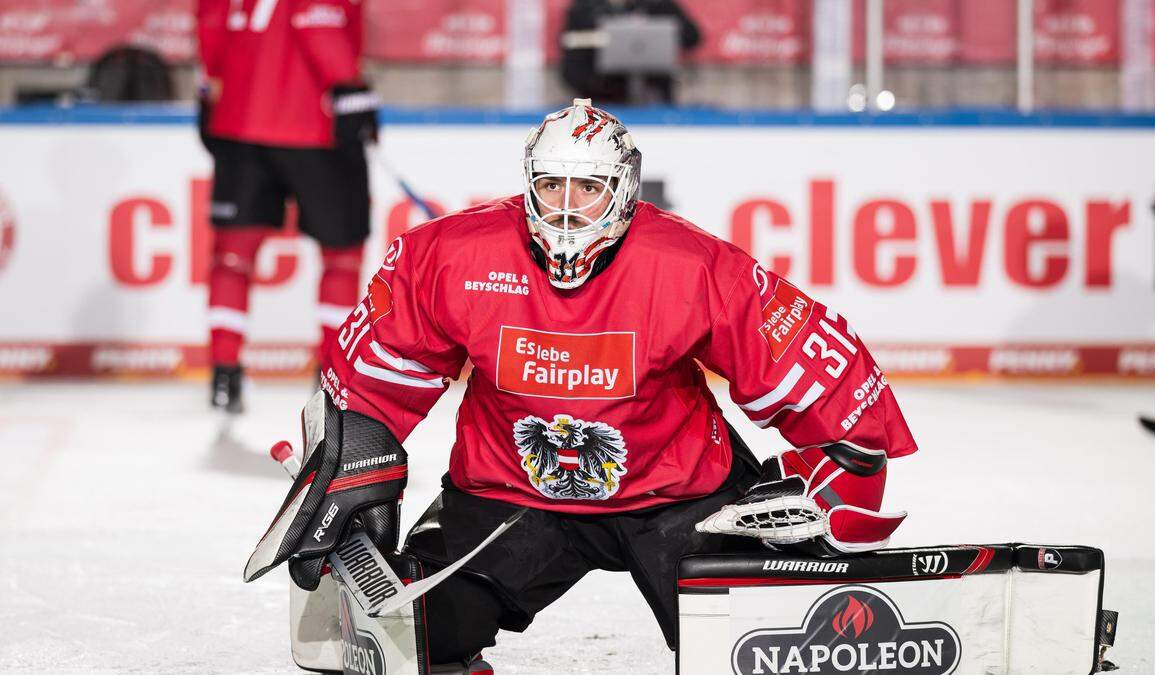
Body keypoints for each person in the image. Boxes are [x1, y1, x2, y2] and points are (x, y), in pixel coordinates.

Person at [244, 99, 917, 670]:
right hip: (511, 495)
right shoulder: (451, 255)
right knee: (402, 644)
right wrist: (347, 460)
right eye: (552, 186)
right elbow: (374, 377)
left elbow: (809, 360)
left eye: (588, 188)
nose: (566, 208)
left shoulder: (689, 264)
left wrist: (845, 466)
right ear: (528, 183)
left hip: (678, 496)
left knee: (772, 650)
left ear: (623, 188)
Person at [195, 0, 379, 412]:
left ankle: (224, 375)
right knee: (341, 256)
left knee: (231, 257)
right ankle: (333, 376)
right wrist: (348, 85)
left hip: (238, 123)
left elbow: (210, 28)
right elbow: (318, 19)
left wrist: (211, 94)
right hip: (312, 125)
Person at [560, 0, 701, 104]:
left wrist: (658, 32)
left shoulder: (658, 5)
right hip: (599, 94)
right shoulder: (585, 8)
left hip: (653, 92)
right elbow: (570, 46)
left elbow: (692, 37)